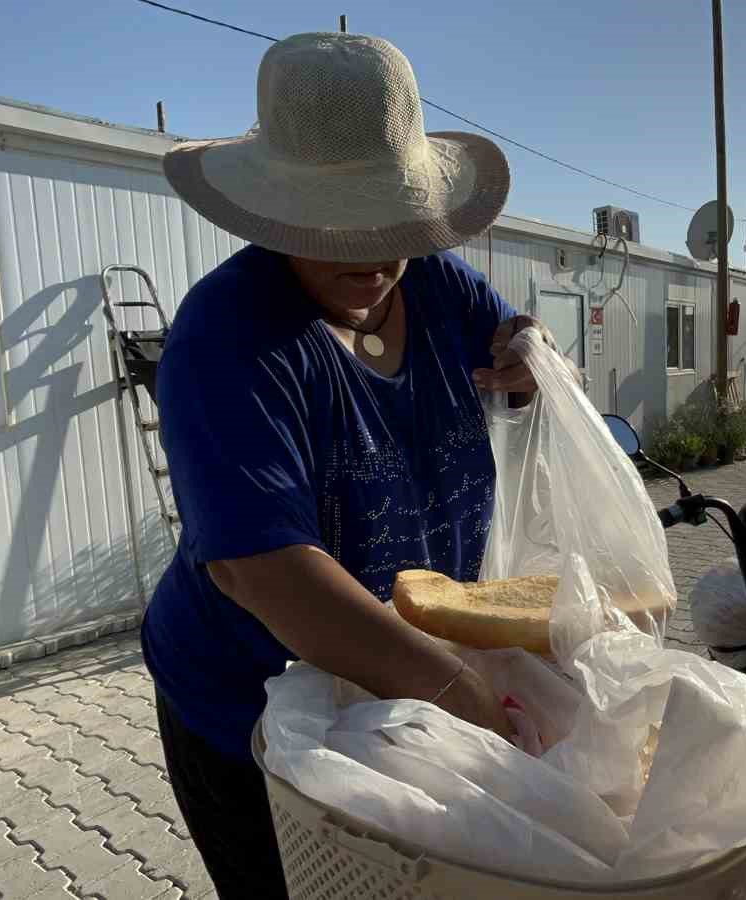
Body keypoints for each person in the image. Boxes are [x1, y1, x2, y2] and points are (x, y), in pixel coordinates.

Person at [143, 32, 552, 898]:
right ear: (270, 212)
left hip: (406, 687)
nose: (371, 258)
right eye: (335, 226)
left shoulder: (444, 288)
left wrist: (533, 357)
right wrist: (466, 699)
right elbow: (271, 576)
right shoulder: (228, 339)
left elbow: (517, 354)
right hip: (255, 709)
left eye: (390, 223)